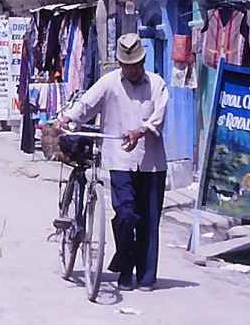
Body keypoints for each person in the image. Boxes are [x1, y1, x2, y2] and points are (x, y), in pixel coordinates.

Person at [56, 33, 169, 292]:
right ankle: (124, 265)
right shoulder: (108, 83)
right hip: (120, 160)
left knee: (149, 221)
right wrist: (67, 120)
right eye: (128, 65)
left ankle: (146, 277)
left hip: (152, 164)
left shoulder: (158, 85)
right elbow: (86, 105)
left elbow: (158, 118)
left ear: (144, 61)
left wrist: (140, 131)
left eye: (137, 64)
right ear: (121, 64)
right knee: (127, 215)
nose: (133, 70)